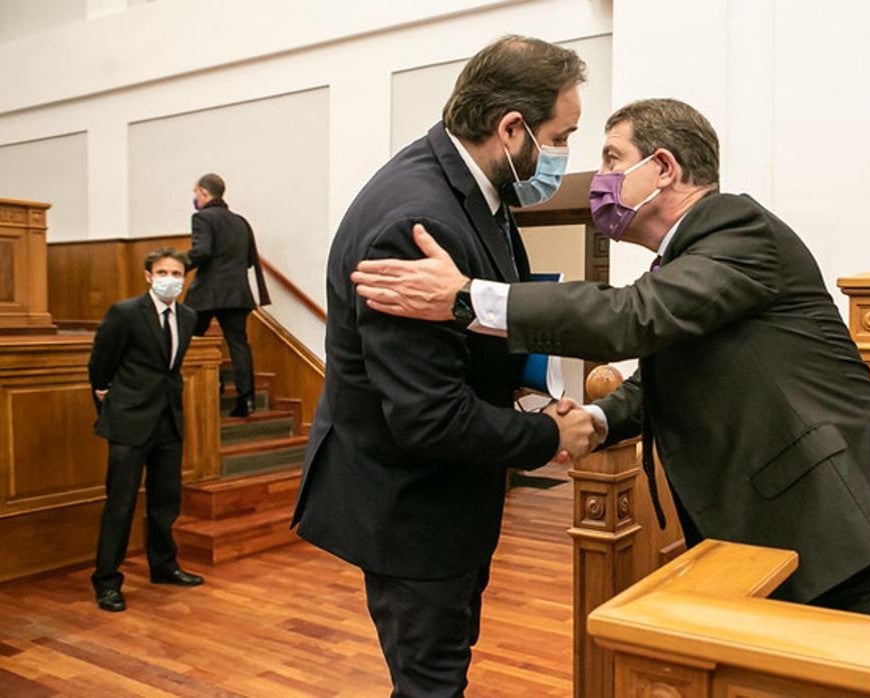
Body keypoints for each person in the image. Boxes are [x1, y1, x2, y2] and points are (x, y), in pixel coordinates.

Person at [352, 99, 870, 621]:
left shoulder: (738, 226)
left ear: (662, 167)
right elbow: (667, 368)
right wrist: (598, 421)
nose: (598, 179)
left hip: (848, 528)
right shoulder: (687, 259)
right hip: (783, 532)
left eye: (611, 159)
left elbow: (630, 319)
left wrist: (465, 297)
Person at [289, 36, 598, 697]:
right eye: (561, 135)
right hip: (412, 513)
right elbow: (428, 417)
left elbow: (473, 328)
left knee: (442, 667)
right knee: (431, 684)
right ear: (510, 127)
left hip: (450, 500)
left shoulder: (472, 189)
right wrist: (551, 437)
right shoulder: (415, 221)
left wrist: (521, 386)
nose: (563, 153)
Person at [88, 248, 205, 613]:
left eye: (177, 272)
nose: (170, 278)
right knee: (120, 504)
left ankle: (164, 566)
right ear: (148, 275)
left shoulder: (187, 316)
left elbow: (170, 370)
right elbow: (100, 366)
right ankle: (107, 581)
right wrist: (111, 405)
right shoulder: (124, 313)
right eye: (162, 271)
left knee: (165, 501)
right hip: (129, 421)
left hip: (168, 421)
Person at [185, 173, 270, 417]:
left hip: (208, 293)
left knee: (190, 339)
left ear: (203, 192)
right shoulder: (240, 221)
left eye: (196, 194)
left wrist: (178, 264)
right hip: (237, 293)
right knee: (238, 345)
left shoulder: (202, 217)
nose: (195, 199)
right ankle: (247, 400)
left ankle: (210, 386)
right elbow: (250, 261)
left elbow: (201, 252)